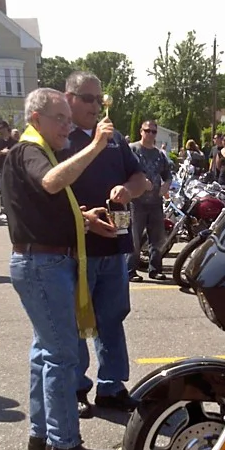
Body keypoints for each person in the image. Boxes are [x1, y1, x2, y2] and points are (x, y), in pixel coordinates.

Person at [1, 87, 115, 450]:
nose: (68, 125)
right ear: (36, 120)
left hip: (41, 263)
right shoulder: (28, 151)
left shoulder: (37, 150)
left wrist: (83, 219)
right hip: (43, 265)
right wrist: (97, 145)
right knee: (62, 355)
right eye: (61, 119)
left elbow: (41, 207)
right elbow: (51, 182)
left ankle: (42, 432)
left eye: (69, 118)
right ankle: (63, 443)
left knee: (44, 351)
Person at [64, 70, 149, 418]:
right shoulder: (60, 139)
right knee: (76, 321)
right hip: (76, 248)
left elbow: (142, 178)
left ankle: (112, 386)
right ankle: (76, 386)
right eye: (87, 98)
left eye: (99, 99)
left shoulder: (115, 139)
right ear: (68, 98)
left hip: (114, 246)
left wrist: (128, 190)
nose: (96, 105)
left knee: (112, 317)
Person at [127, 120, 172, 282]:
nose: (150, 134)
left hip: (155, 203)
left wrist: (165, 186)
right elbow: (124, 171)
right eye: (147, 131)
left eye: (154, 132)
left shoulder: (159, 154)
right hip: (136, 202)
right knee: (134, 238)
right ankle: (130, 270)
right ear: (141, 131)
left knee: (157, 239)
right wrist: (139, 182)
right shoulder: (132, 150)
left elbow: (168, 175)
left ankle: (155, 269)